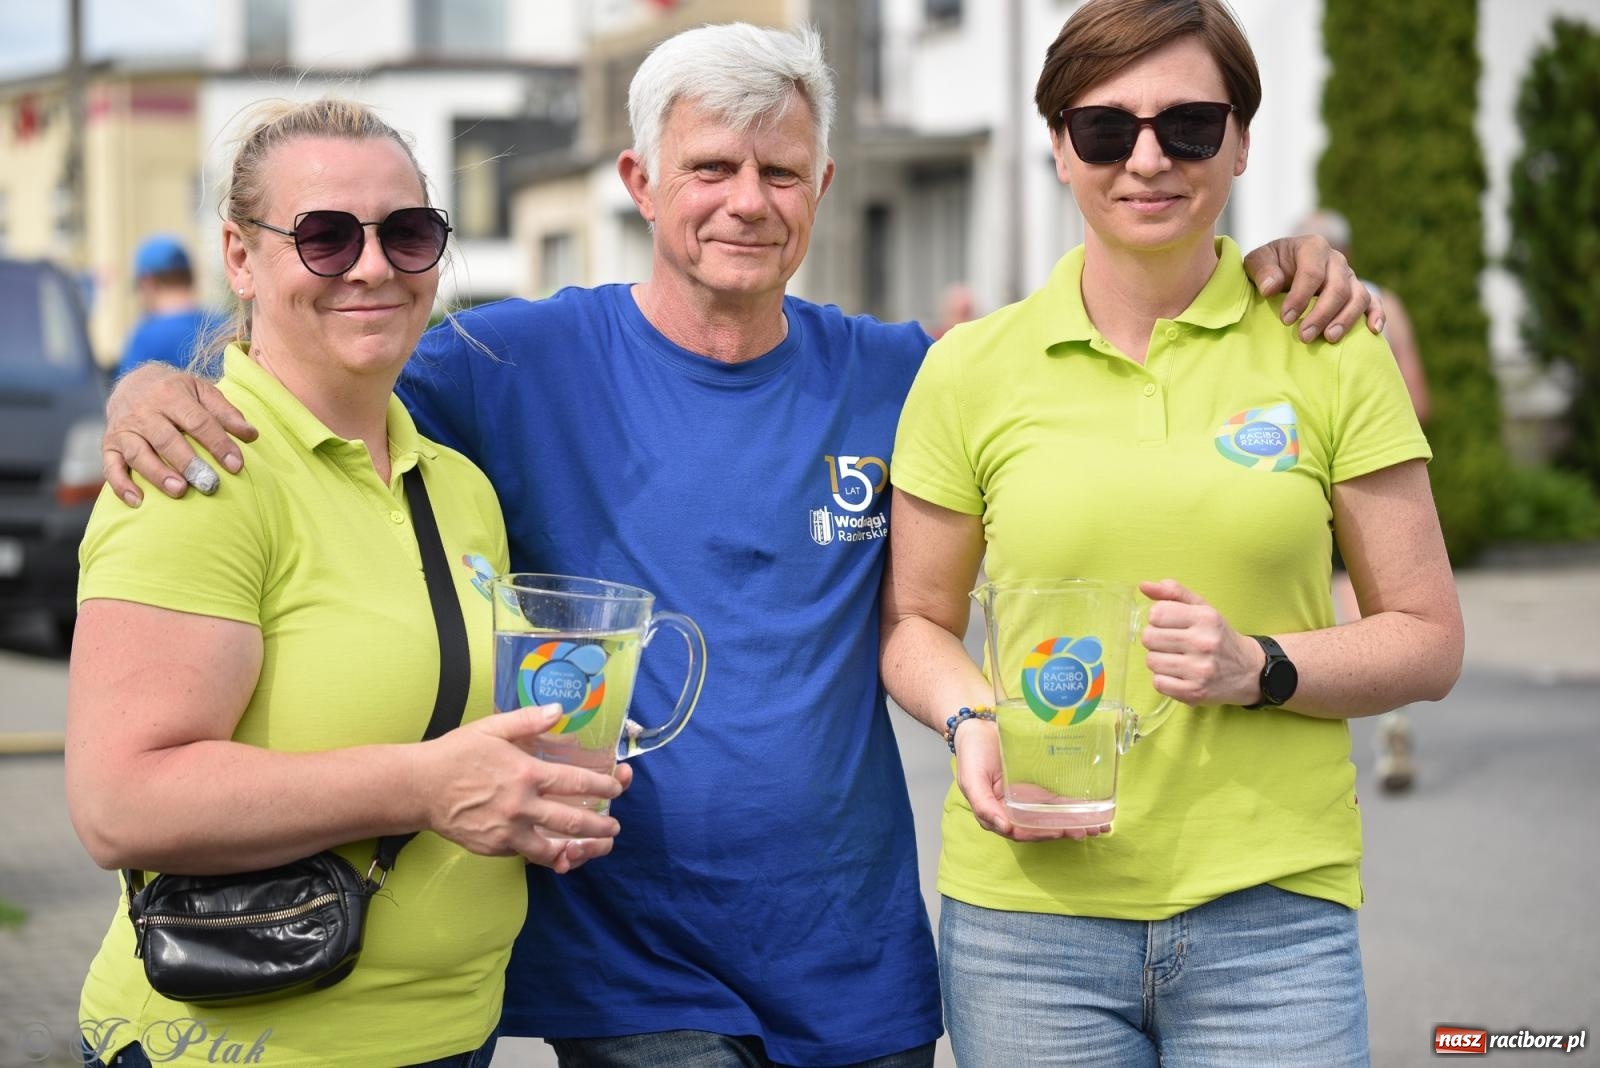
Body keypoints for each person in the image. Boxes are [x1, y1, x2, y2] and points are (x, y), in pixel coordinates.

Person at [96, 24, 1383, 1068]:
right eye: (709, 168)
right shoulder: (511, 363)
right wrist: (156, 383)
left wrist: (1274, 272)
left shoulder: (904, 374)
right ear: (640, 182)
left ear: (822, 188)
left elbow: (1075, 391)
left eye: (779, 173)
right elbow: (323, 348)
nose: (745, 203)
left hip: (858, 964)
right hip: (630, 970)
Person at [879, 2, 1464, 1065]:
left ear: (1240, 138)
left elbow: (1426, 636)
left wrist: (1261, 666)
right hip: (1027, 929)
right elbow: (914, 619)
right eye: (1106, 128)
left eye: (1189, 125)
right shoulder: (968, 369)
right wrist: (971, 721)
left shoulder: (1329, 350)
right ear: (1057, 147)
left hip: (1271, 921)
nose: (1146, 158)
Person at [66, 98, 628, 1068]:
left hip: (453, 1036)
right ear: (240, 258)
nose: (372, 265)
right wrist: (427, 787)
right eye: (324, 237)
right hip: (246, 1043)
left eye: (407, 234)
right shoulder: (196, 475)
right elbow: (123, 802)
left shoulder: (453, 485)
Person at [1301, 207, 1430, 794]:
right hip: (1373, 465)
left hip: (1297, 459)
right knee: (1373, 597)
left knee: (1321, 589)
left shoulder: (1289, 307)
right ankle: (1391, 717)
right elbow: (1418, 399)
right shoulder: (1385, 304)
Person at [116, 235, 210, 377]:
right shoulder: (222, 326)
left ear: (148, 282)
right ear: (190, 277)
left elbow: (127, 395)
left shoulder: (146, 339)